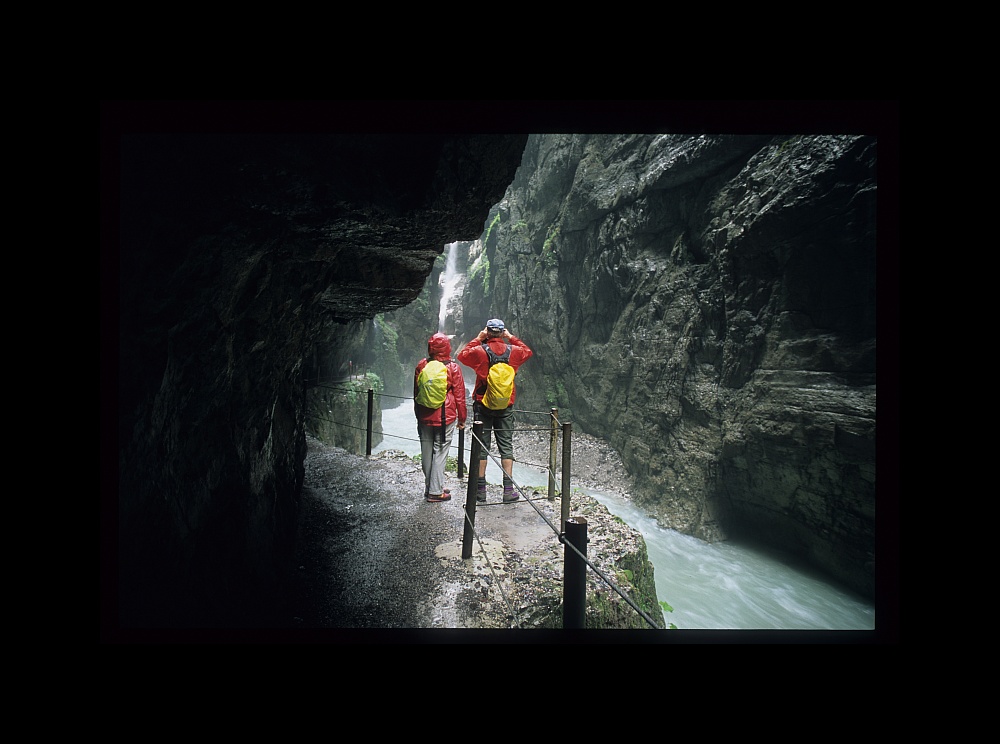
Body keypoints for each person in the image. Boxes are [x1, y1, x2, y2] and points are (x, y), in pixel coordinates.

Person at [457, 318, 533, 503]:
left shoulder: (479, 351)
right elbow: (528, 352)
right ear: (502, 332)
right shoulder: (513, 351)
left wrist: (478, 338)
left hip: (483, 404)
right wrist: (511, 337)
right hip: (505, 404)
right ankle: (508, 491)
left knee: (482, 447)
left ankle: (480, 491)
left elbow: (461, 355)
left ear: (488, 332)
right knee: (506, 446)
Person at [414, 333, 467, 503]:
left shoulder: (422, 365)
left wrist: (417, 415)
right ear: (447, 348)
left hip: (424, 415)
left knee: (427, 451)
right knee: (440, 452)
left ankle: (430, 486)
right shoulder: (453, 368)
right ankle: (435, 492)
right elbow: (460, 396)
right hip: (445, 418)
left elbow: (416, 392)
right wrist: (462, 418)